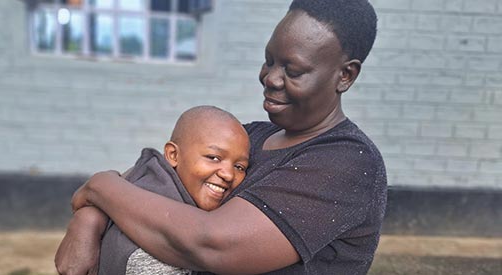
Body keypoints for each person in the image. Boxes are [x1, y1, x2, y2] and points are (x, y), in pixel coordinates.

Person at [56, 0, 387, 274]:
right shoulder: (252, 136)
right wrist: (91, 217)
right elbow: (143, 186)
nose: (271, 78)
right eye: (269, 61)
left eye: (293, 70)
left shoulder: (346, 161)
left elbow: (213, 245)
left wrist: (99, 185)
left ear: (344, 75)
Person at [55, 106, 250, 275]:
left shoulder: (146, 172)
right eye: (213, 158)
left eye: (240, 167)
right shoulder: (150, 255)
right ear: (173, 155)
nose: (228, 174)